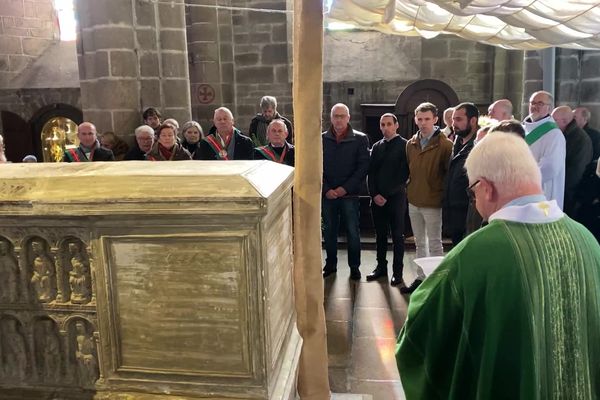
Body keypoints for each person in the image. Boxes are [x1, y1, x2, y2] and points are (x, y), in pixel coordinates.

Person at [396, 132, 600, 400]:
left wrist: (434, 284)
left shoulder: (479, 251)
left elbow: (423, 332)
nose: (475, 201)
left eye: (472, 192)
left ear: (486, 187)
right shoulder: (586, 239)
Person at [404, 102, 452, 293]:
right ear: (415, 119)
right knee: (419, 242)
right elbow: (411, 170)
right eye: (420, 119)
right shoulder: (411, 144)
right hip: (414, 199)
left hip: (433, 200)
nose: (423, 123)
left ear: (435, 119)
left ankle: (437, 281)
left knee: (434, 242)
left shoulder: (445, 145)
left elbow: (447, 173)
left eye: (427, 119)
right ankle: (421, 277)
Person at [322, 103, 370, 281]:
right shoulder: (321, 139)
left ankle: (355, 267)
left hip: (349, 194)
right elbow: (316, 167)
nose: (339, 119)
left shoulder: (360, 139)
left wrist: (344, 188)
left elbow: (363, 167)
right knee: (329, 231)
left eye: (342, 116)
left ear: (349, 118)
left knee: (352, 231)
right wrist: (327, 189)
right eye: (336, 116)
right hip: (327, 195)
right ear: (331, 118)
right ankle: (331, 264)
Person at [366, 113, 408, 286]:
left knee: (398, 236)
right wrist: (374, 194)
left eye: (389, 124)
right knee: (380, 236)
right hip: (377, 199)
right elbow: (371, 173)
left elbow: (404, 175)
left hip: (396, 198)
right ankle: (381, 268)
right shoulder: (377, 146)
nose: (385, 128)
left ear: (396, 125)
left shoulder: (405, 145)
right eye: (382, 125)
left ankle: (397, 272)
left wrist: (387, 195)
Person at [442, 102, 478, 245]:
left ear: (473, 121)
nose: (454, 124)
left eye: (458, 119)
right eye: (453, 120)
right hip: (454, 211)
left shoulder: (478, 144)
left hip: (468, 212)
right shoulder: (457, 142)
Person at [522, 90, 566, 208]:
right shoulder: (523, 130)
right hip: (522, 191)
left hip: (542, 191)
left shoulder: (554, 134)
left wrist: (522, 179)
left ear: (550, 108)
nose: (535, 107)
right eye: (532, 103)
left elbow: (550, 167)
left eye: (540, 104)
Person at [551, 106, 592, 217]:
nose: (550, 123)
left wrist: (561, 191)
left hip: (569, 195)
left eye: (554, 120)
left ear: (564, 121)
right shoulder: (561, 134)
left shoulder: (580, 139)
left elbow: (576, 172)